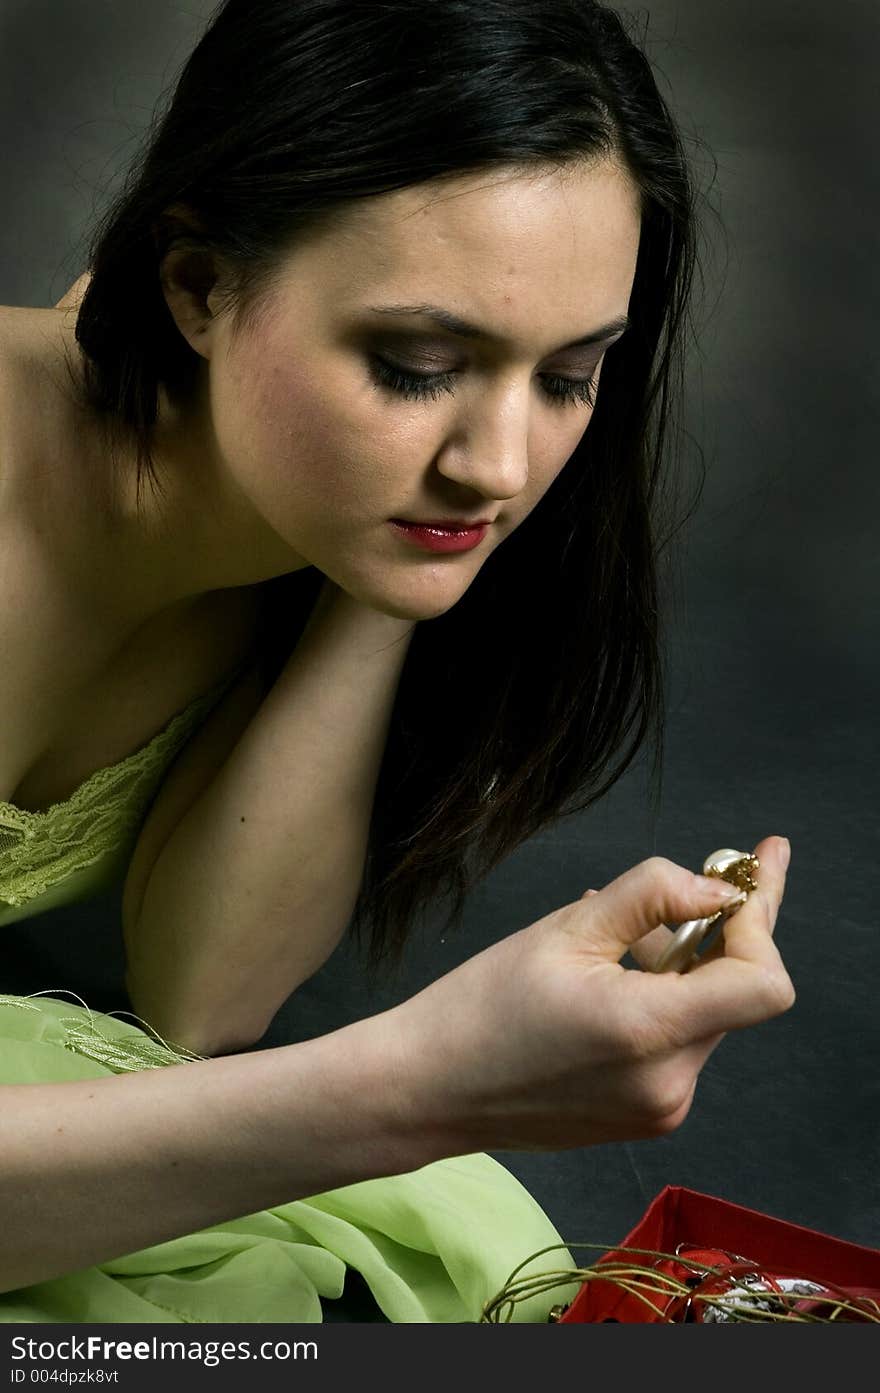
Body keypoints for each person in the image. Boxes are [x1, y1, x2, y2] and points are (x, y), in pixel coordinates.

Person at [0, 0, 793, 1323]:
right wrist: (422, 1082)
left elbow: (200, 998)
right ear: (196, 287)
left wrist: (396, 576)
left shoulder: (291, 491)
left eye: (569, 376)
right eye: (418, 363)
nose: (503, 462)